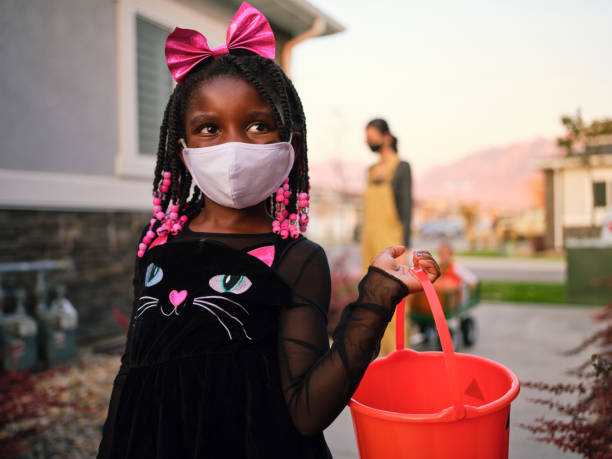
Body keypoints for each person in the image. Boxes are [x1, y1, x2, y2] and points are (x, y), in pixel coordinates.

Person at [97, 4, 440, 458]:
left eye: (258, 125)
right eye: (209, 128)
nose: (233, 146)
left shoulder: (297, 260)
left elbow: (306, 411)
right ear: (182, 150)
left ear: (288, 143)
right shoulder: (156, 245)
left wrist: (376, 298)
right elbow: (133, 375)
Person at [361, 118, 413, 356]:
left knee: (394, 297)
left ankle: (398, 353)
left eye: (372, 135)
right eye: (367, 136)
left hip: (392, 243)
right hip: (369, 242)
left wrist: (406, 249)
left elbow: (406, 209)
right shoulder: (370, 171)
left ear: (387, 137)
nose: (369, 140)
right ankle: (376, 354)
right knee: (371, 295)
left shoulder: (401, 168)